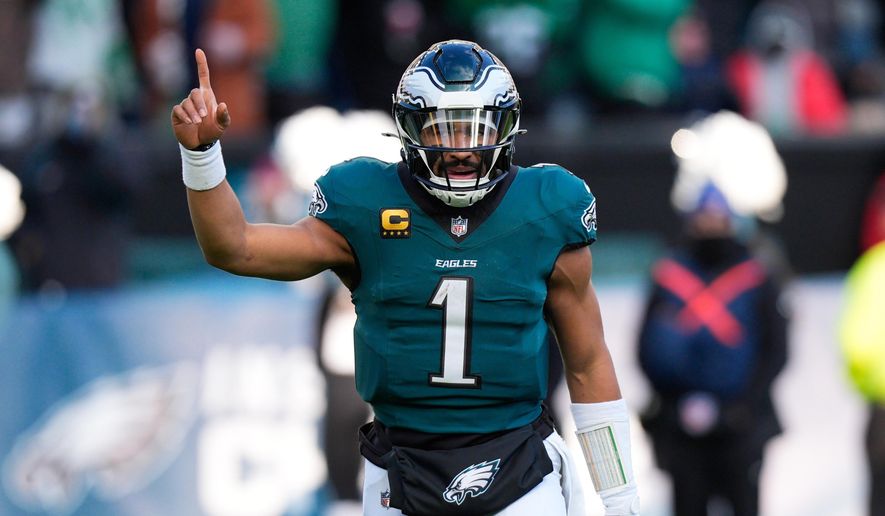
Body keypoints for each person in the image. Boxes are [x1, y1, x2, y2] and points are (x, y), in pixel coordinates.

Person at [171, 40, 640, 515]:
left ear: (506, 126)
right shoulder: (364, 202)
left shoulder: (547, 207)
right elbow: (234, 247)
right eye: (444, 131)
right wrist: (202, 154)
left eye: (476, 129)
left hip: (517, 468)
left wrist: (620, 499)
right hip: (400, 469)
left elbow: (588, 365)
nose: (463, 150)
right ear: (409, 129)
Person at [637, 181, 788, 516]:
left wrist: (744, 405)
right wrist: (677, 403)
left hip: (743, 424)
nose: (710, 225)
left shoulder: (756, 274)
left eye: (717, 217)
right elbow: (645, 348)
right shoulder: (669, 273)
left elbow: (776, 348)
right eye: (703, 217)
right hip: (680, 425)